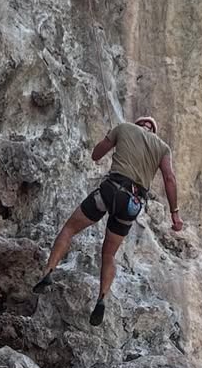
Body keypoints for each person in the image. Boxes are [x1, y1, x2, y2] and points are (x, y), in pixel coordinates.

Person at [32, 116, 183, 326]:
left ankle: (48, 272)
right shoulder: (162, 147)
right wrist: (175, 214)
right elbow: (169, 178)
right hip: (133, 202)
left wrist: (113, 140)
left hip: (111, 190)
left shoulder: (124, 128)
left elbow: (96, 155)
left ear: (139, 124)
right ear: (153, 131)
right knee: (109, 253)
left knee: (69, 229)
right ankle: (101, 298)